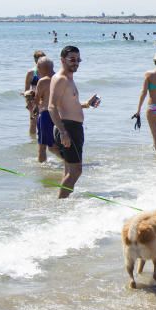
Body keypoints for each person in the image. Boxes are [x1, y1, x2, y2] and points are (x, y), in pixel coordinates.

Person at [48, 46, 100, 198]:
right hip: (68, 128)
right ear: (62, 60)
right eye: (72, 59)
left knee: (69, 170)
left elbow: (67, 104)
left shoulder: (68, 78)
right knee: (76, 171)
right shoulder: (61, 79)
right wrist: (63, 131)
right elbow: (52, 106)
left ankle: (62, 204)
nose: (76, 63)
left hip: (72, 127)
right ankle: (60, 204)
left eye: (78, 60)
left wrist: (86, 104)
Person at [33, 57, 56, 163]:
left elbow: (37, 100)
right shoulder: (61, 78)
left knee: (43, 146)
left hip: (46, 114)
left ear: (40, 68)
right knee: (57, 142)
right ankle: (71, 162)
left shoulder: (43, 81)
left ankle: (41, 167)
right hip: (59, 114)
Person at [22, 50, 45, 135]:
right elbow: (26, 90)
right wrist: (28, 103)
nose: (41, 61)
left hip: (45, 99)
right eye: (39, 59)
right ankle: (33, 141)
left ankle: (43, 140)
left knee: (44, 121)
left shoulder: (47, 71)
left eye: (43, 58)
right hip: (33, 100)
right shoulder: (31, 73)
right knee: (33, 122)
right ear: (35, 60)